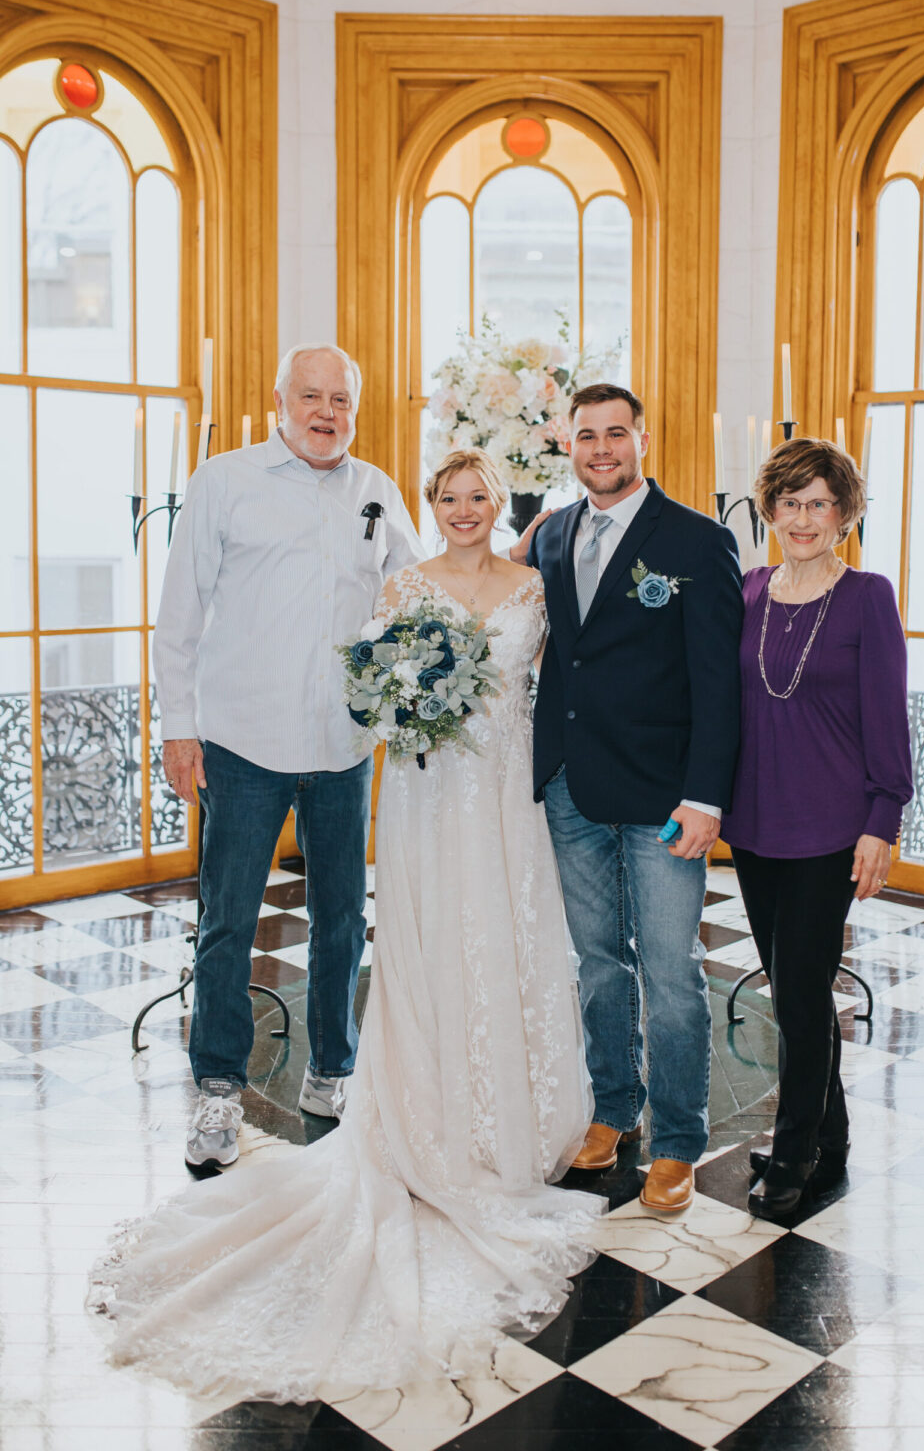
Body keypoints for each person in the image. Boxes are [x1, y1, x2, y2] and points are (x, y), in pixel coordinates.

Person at [90, 448, 600, 1402]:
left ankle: (483, 1101)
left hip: (505, 799)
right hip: (414, 787)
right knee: (311, 931)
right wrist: (397, 701)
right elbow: (373, 668)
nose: (459, 508)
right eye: (446, 495)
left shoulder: (522, 573)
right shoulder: (396, 574)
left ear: (501, 503)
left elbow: (568, 675)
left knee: (493, 938)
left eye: (476, 495)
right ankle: (250, 1089)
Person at [153, 343, 423, 1168]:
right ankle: (218, 1089)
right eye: (311, 396)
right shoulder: (224, 481)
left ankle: (332, 1070)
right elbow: (180, 613)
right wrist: (178, 725)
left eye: (341, 399)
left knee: (342, 920)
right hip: (241, 743)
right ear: (280, 400)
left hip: (342, 746)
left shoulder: (376, 490)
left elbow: (416, 593)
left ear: (355, 408)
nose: (326, 412)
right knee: (229, 921)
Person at [514, 383, 743, 1213]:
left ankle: (679, 1136)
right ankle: (613, 1108)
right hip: (573, 784)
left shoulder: (695, 539)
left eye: (617, 433)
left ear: (644, 437)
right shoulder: (549, 536)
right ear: (567, 445)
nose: (602, 448)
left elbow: (719, 686)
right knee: (599, 965)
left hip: (663, 797)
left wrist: (706, 797)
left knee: (673, 974)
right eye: (587, 436)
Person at [721, 437, 913, 1219]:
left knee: (801, 997)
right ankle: (830, 1137)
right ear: (769, 509)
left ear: (845, 513)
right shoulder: (749, 589)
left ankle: (795, 1150)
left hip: (831, 826)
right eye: (790, 502)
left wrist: (883, 820)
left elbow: (888, 720)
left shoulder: (867, 595)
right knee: (789, 988)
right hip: (755, 823)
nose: (803, 518)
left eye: (820, 503)